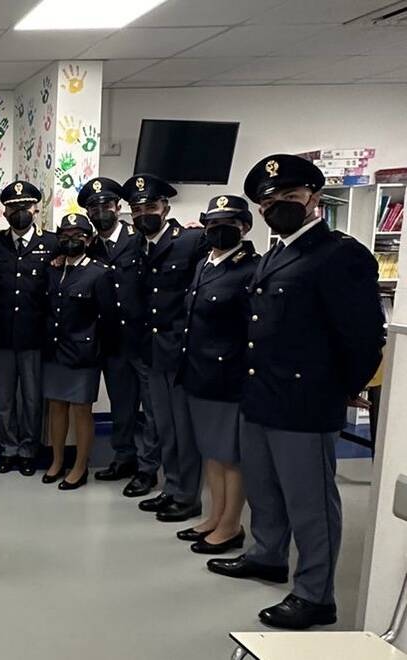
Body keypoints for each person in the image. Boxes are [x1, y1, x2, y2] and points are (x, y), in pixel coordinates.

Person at [208, 154, 384, 630]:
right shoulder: (277, 253)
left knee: (310, 503)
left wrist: (341, 389)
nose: (277, 206)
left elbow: (366, 338)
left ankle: (315, 594)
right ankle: (267, 555)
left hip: (305, 402)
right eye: (269, 200)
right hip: (261, 394)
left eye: (289, 197)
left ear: (313, 198)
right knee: (264, 490)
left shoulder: (339, 254)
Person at [122, 174, 208, 523]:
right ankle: (171, 487)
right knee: (163, 426)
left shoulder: (190, 241)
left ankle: (188, 496)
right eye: (137, 209)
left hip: (179, 350)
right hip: (150, 350)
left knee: (183, 429)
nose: (144, 214)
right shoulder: (134, 246)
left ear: (166, 207)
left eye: (151, 207)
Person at [176, 195, 260, 554]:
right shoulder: (205, 265)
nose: (218, 230)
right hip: (200, 372)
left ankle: (230, 526)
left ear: (245, 227)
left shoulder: (250, 269)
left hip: (230, 374)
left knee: (231, 455)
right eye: (212, 224)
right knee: (211, 450)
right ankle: (214, 516)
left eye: (228, 224)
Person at [82, 177, 155, 495]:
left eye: (106, 206)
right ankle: (124, 457)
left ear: (118, 207)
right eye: (94, 208)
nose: (100, 212)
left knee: (152, 409)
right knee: (122, 405)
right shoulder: (90, 247)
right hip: (112, 341)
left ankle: (149, 467)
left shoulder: (139, 238)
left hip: (143, 340)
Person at [0, 181, 57, 475]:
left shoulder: (52, 244)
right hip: (2, 334)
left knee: (31, 398)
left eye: (24, 207)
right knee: (3, 399)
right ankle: (8, 448)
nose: (20, 213)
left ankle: (28, 450)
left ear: (35, 208)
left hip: (34, 336)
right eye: (13, 208)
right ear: (5, 212)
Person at [41, 213, 116, 490]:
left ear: (90, 239)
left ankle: (80, 466)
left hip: (83, 353)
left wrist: (98, 349)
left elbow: (107, 318)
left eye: (78, 235)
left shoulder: (99, 272)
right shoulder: (52, 268)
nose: (71, 240)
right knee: (56, 408)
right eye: (65, 235)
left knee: (81, 411)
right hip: (54, 350)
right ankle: (57, 461)